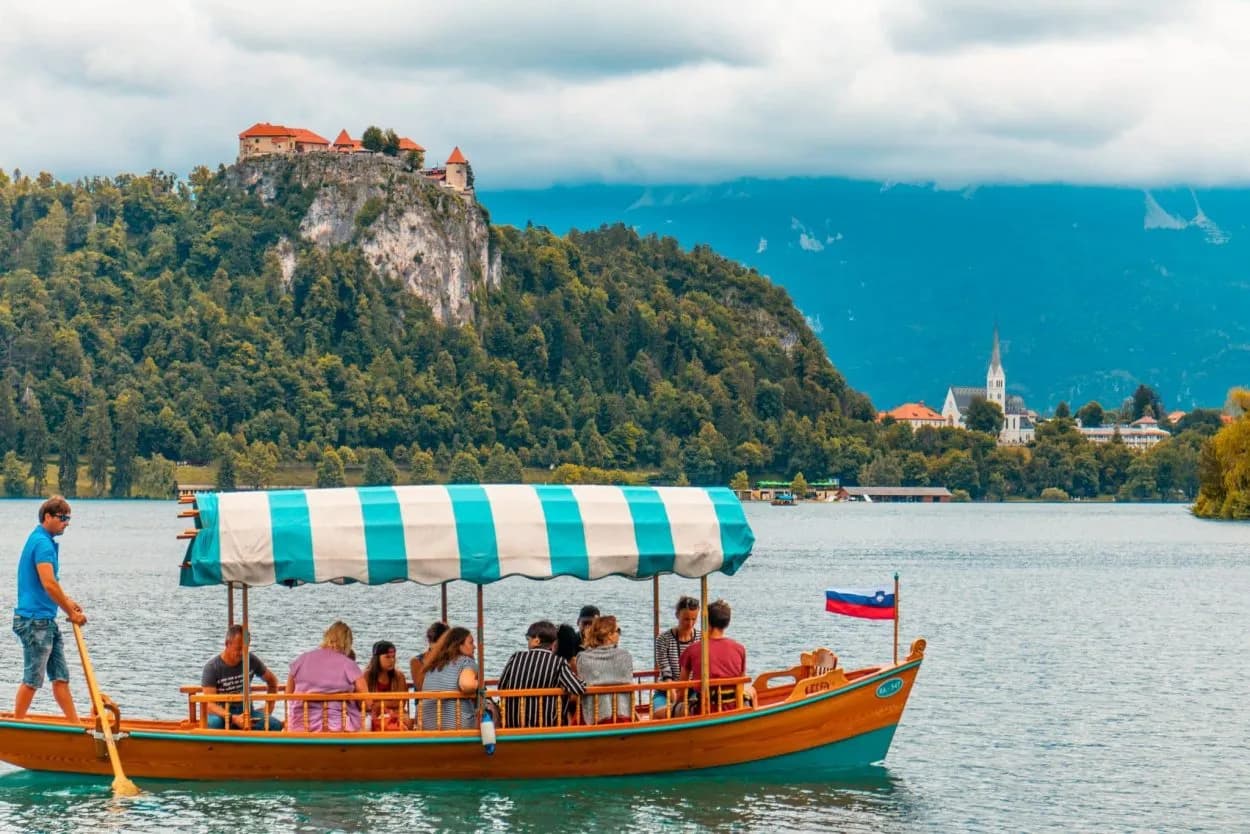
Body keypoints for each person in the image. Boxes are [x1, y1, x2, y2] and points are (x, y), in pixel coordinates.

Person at [13, 496, 85, 721]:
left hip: (46, 620)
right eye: (62, 518)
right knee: (33, 679)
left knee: (61, 677)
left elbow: (51, 584)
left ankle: (76, 726)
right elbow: (48, 583)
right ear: (48, 517)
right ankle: (17, 724)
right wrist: (70, 612)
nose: (66, 523)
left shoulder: (43, 540)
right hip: (34, 621)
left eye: (68, 518)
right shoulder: (42, 543)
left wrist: (68, 602)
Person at [498, 620, 585, 728]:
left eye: (528, 639)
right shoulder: (558, 662)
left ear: (537, 641)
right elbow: (578, 688)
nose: (528, 642)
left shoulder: (516, 657)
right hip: (546, 725)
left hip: (513, 724)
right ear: (553, 644)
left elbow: (501, 686)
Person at [286, 621, 367, 732]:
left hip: (299, 726)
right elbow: (367, 702)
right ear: (347, 642)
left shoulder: (301, 660)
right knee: (366, 724)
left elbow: (288, 695)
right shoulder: (349, 665)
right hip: (337, 727)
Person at [201, 625, 283, 730]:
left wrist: (269, 707)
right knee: (215, 724)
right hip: (221, 713)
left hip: (247, 711)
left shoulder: (251, 660)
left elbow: (272, 681)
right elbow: (209, 704)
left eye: (246, 648)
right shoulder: (212, 667)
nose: (242, 653)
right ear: (227, 644)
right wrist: (232, 717)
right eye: (239, 649)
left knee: (275, 725)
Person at [677, 599, 748, 715]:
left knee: (659, 713)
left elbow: (681, 690)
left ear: (707, 622)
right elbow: (741, 683)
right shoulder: (740, 649)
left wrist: (675, 705)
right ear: (727, 623)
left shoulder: (693, 649)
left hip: (702, 710)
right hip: (733, 707)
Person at [418, 626, 479, 730]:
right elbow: (467, 685)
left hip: (429, 724)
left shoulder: (433, 665)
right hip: (457, 725)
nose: (474, 647)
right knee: (489, 712)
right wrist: (480, 685)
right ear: (459, 645)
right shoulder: (466, 661)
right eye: (471, 642)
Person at [576, 616, 634, 724]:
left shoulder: (583, 657)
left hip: (593, 714)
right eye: (618, 631)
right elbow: (628, 680)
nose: (619, 635)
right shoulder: (625, 656)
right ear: (609, 635)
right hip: (621, 712)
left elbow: (583, 682)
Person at [652, 595, 700, 719]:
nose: (690, 623)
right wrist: (676, 702)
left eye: (694, 619)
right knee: (659, 714)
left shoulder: (701, 639)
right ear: (677, 615)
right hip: (666, 691)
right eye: (686, 619)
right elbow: (666, 673)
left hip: (693, 691)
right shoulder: (663, 639)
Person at [364, 640, 409, 731]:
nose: (392, 660)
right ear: (377, 658)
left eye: (393, 657)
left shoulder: (399, 676)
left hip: (393, 712)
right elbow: (365, 704)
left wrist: (379, 704)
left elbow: (400, 702)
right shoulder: (367, 676)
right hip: (373, 713)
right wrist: (381, 706)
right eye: (387, 657)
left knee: (406, 720)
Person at [410, 620, 449, 692]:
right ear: (429, 641)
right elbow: (421, 688)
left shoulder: (453, 659)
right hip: (425, 701)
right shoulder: (416, 661)